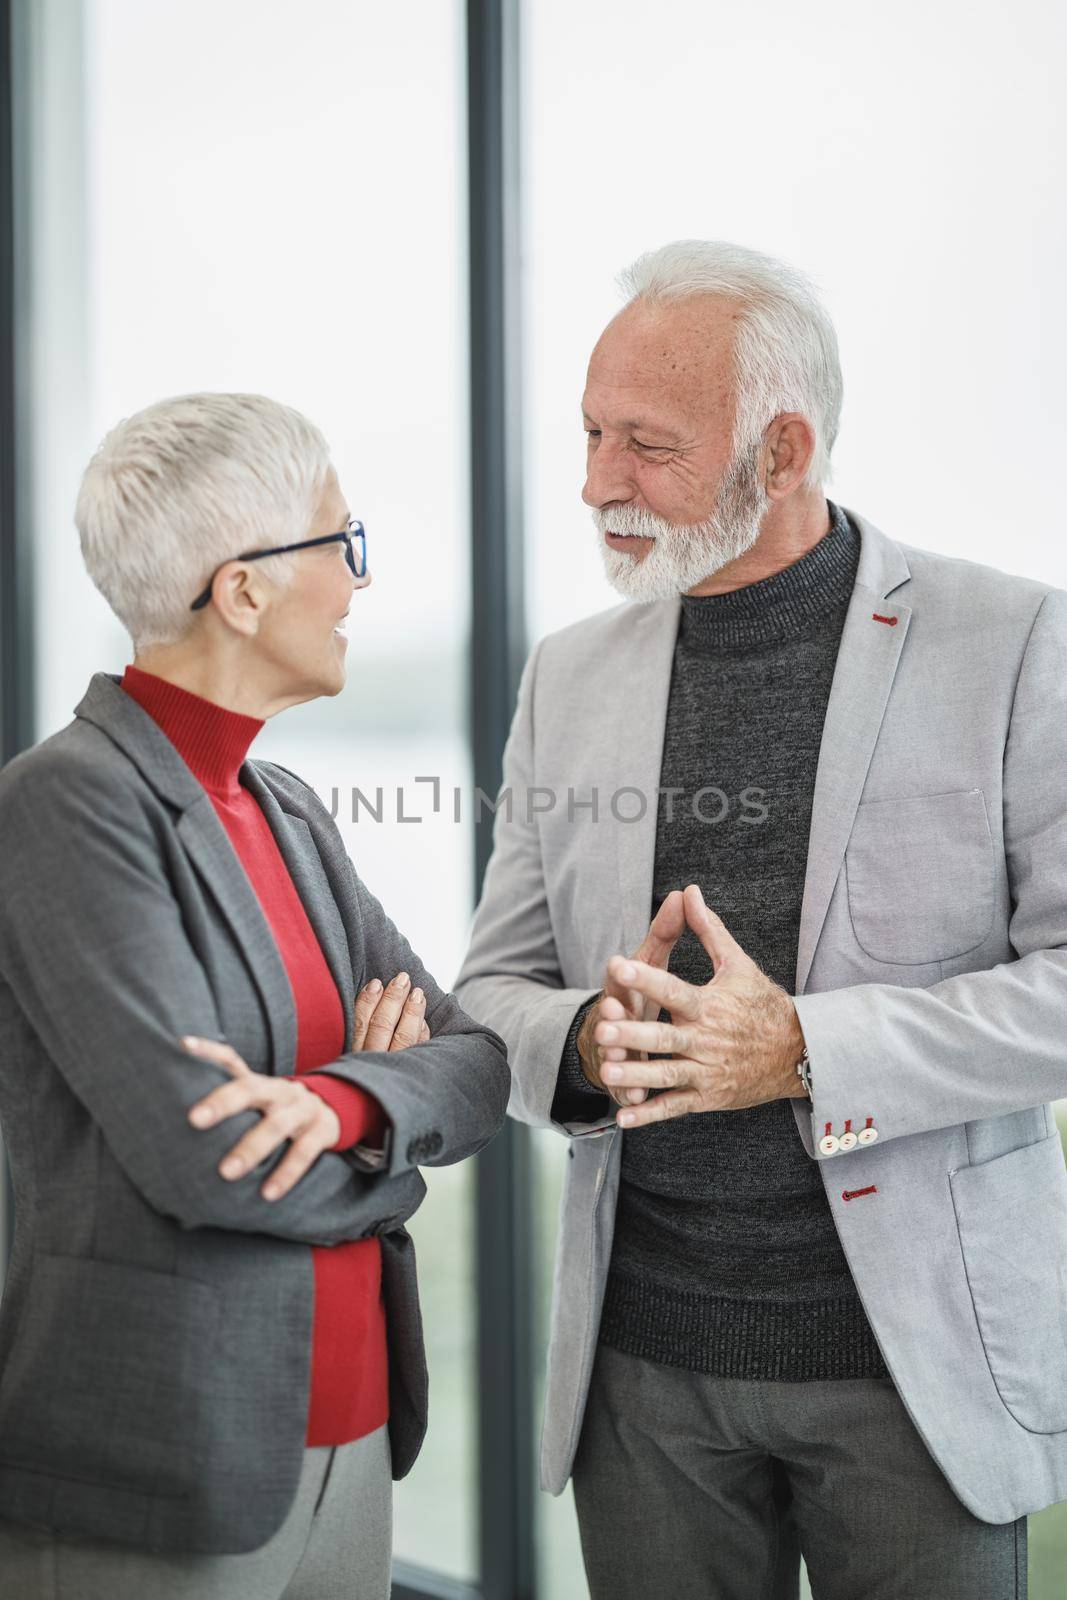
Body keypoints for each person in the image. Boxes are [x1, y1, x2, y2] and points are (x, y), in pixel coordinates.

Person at [454, 239, 1067, 1599]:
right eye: (589, 433)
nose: (594, 482)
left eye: (645, 446)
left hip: (911, 1368)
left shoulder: (1014, 641)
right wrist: (583, 1046)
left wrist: (798, 1051)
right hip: (641, 1378)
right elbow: (489, 988)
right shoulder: (567, 673)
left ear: (780, 453)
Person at [0, 392, 510, 1599]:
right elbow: (208, 1159)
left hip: (352, 1440)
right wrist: (394, 1137)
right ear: (241, 591)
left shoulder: (286, 809)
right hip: (166, 1462)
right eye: (344, 544)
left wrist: (335, 1105)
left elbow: (477, 1058)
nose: (355, 581)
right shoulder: (65, 806)